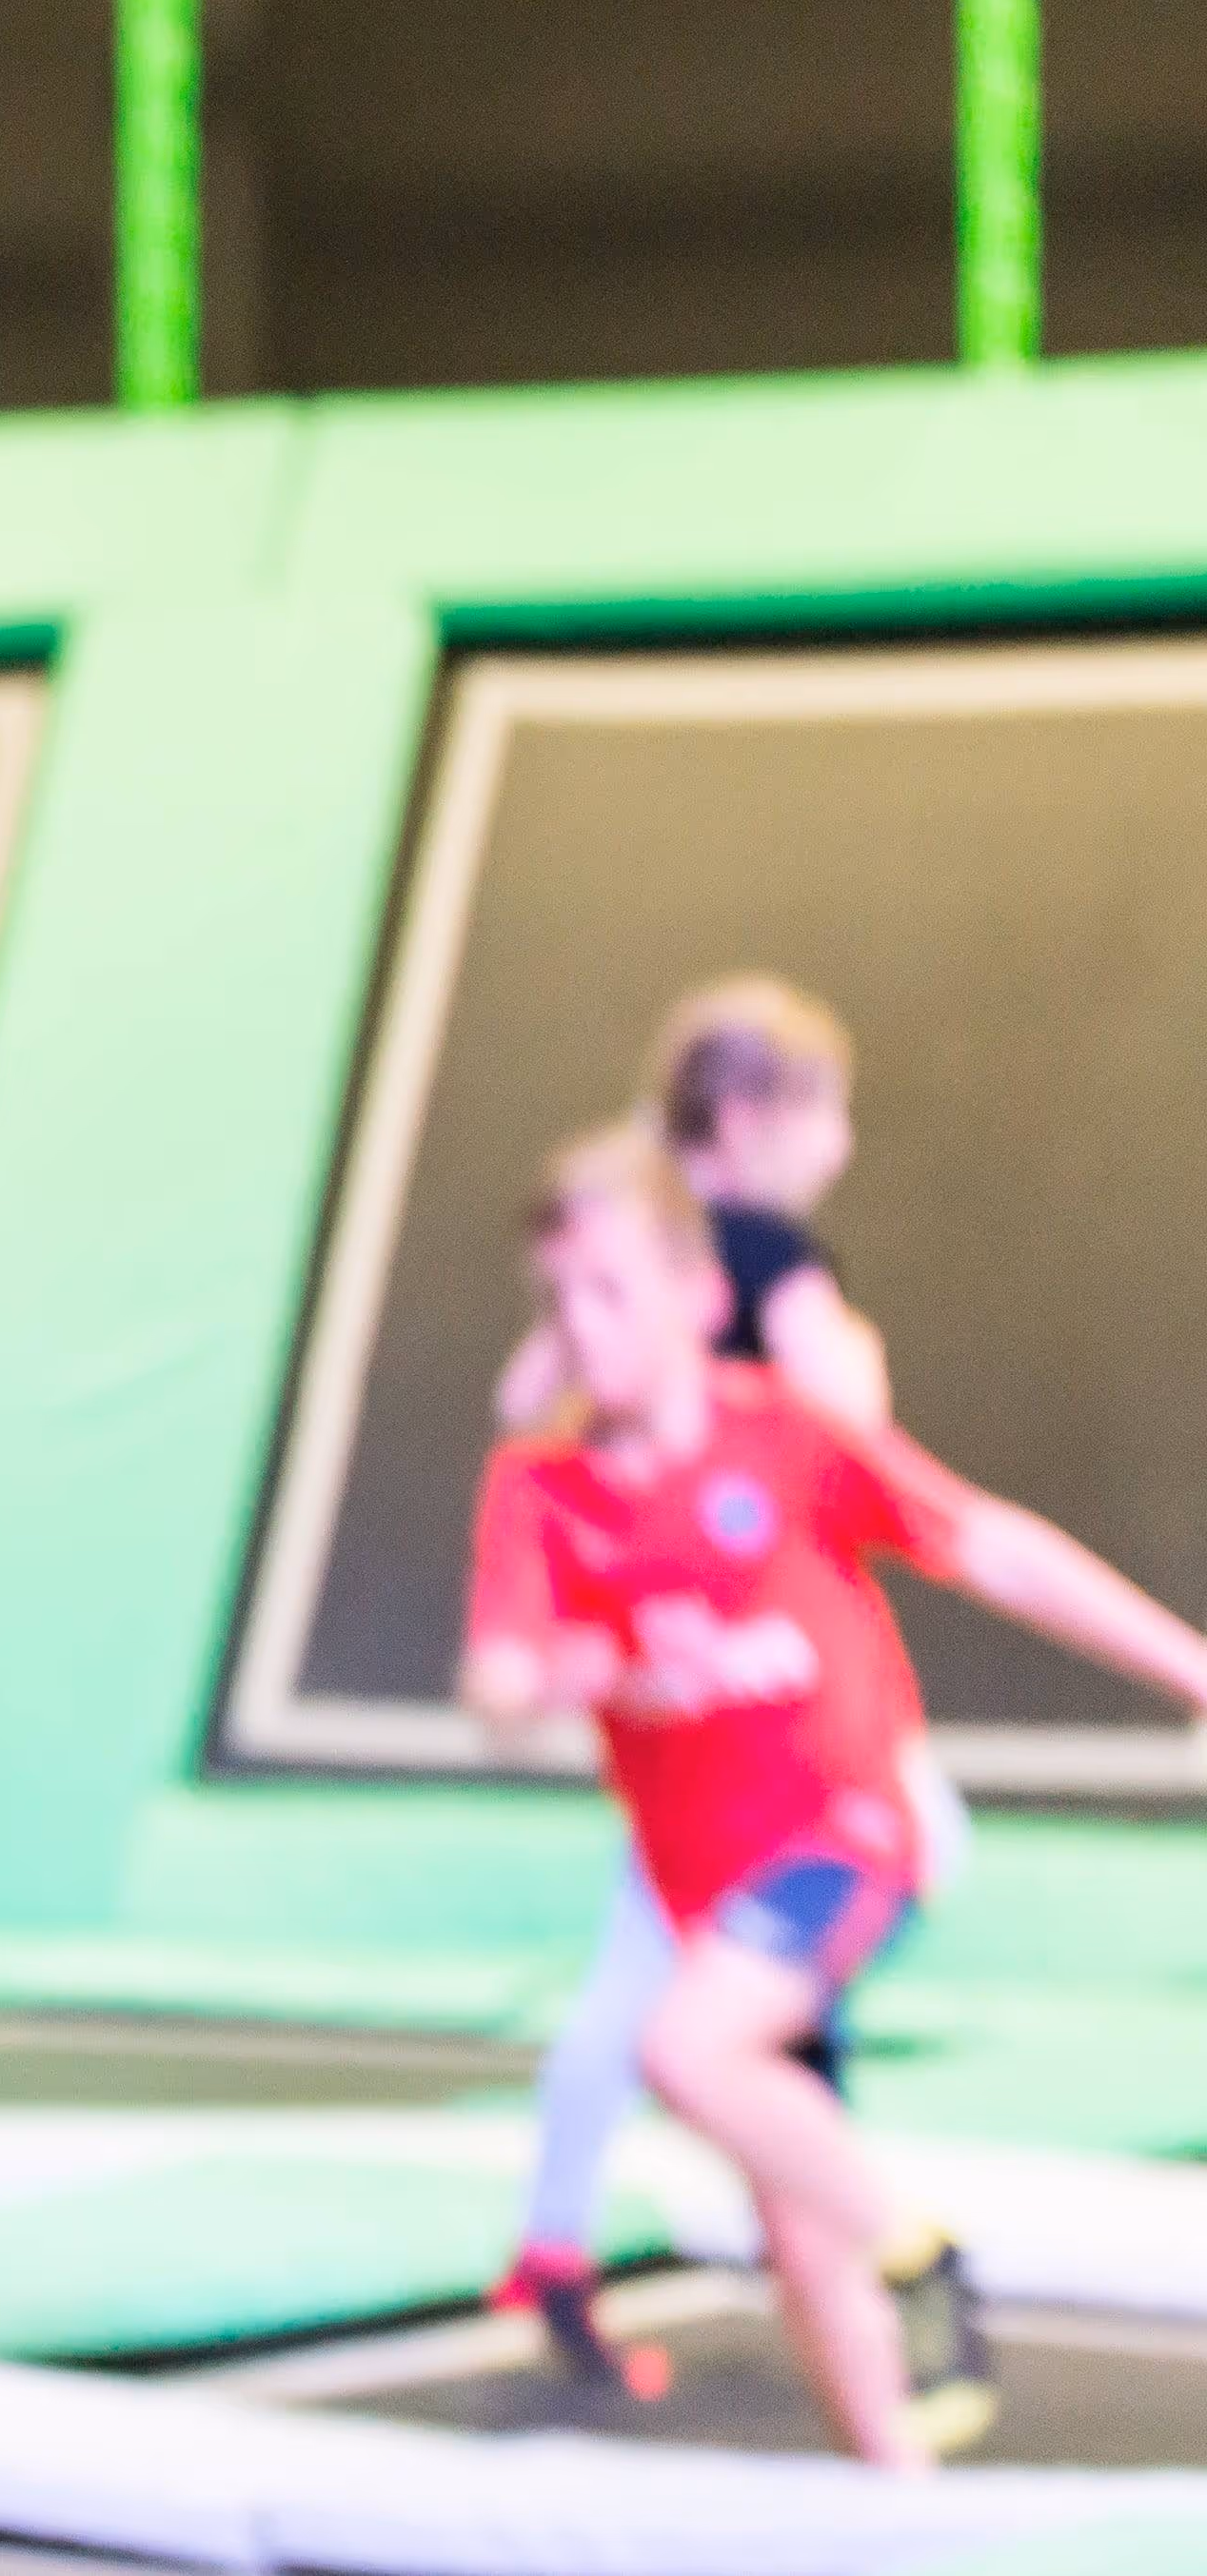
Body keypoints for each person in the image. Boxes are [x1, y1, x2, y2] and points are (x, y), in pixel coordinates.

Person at [460, 1121, 1207, 2467]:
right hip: (707, 1891)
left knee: (684, 2051)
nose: (583, 1327)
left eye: (612, 1291)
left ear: (696, 1295)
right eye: (559, 1299)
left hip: (848, 1832)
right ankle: (897, 2496)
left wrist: (1187, 1666)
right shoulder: (544, 1490)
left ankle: (924, 2256)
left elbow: (996, 1549)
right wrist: (595, 1662)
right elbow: (497, 1683)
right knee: (796, 2230)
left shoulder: (785, 1439)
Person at [484, 976, 958, 2394]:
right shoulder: (753, 1249)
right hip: (753, 1705)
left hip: (691, 1697)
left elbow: (525, 1403)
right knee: (726, 1976)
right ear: (751, 1117)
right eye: (828, 1114)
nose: (843, 1147)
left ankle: (569, 2237)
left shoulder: (660, 1255)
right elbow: (849, 1423)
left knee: (664, 1974)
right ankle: (864, 2247)